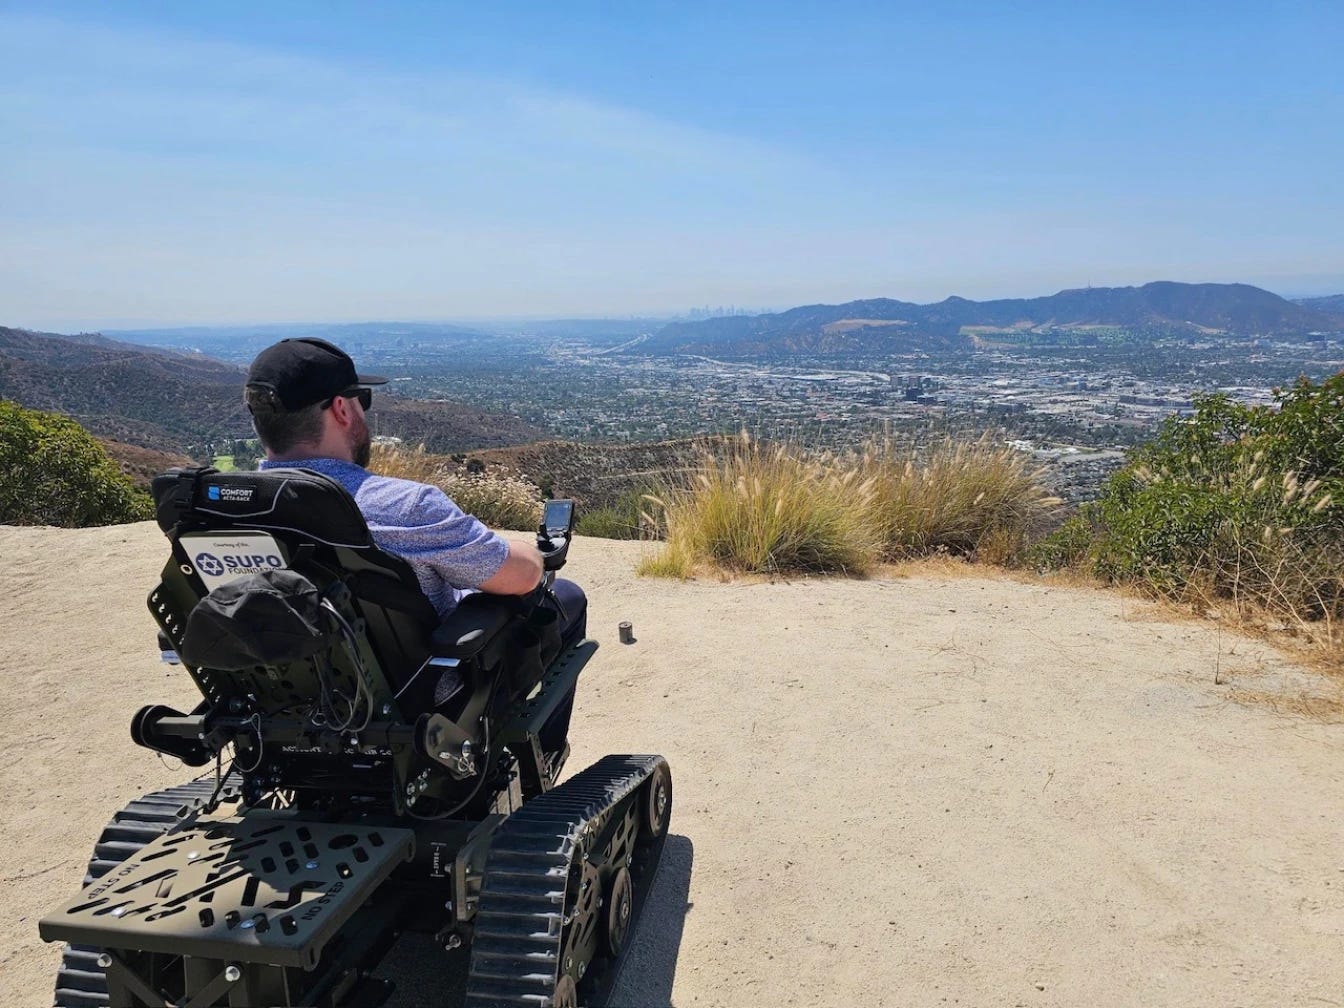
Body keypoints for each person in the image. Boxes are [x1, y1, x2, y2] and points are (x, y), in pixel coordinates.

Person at [243, 337, 586, 646]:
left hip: (269, 705)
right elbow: (524, 576)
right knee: (566, 597)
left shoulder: (221, 512)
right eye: (362, 399)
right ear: (341, 409)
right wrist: (529, 551)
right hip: (417, 700)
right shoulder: (405, 506)